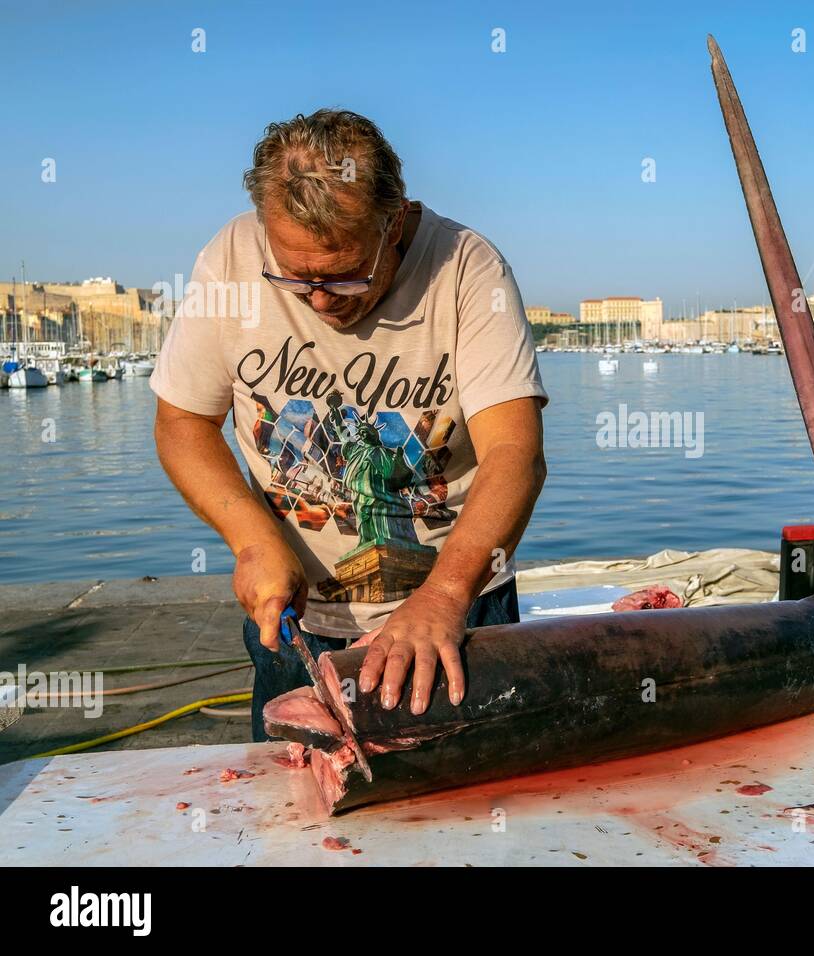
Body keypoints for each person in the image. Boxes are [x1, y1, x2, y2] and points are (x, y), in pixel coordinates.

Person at [151, 109, 548, 738]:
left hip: (462, 609)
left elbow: (515, 454)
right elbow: (182, 421)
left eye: (344, 273)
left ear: (393, 224)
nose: (319, 299)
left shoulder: (468, 268)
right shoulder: (230, 258)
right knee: (294, 812)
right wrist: (252, 540)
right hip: (300, 623)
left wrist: (444, 596)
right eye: (294, 277)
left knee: (470, 808)